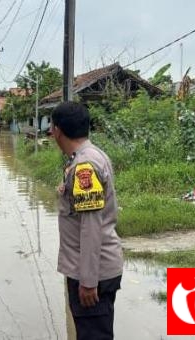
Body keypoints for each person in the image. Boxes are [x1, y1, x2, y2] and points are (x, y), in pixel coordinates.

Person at [51, 101, 123, 340]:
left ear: (57, 130)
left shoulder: (85, 166)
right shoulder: (86, 157)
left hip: (94, 274)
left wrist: (89, 281)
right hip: (94, 269)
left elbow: (91, 226)